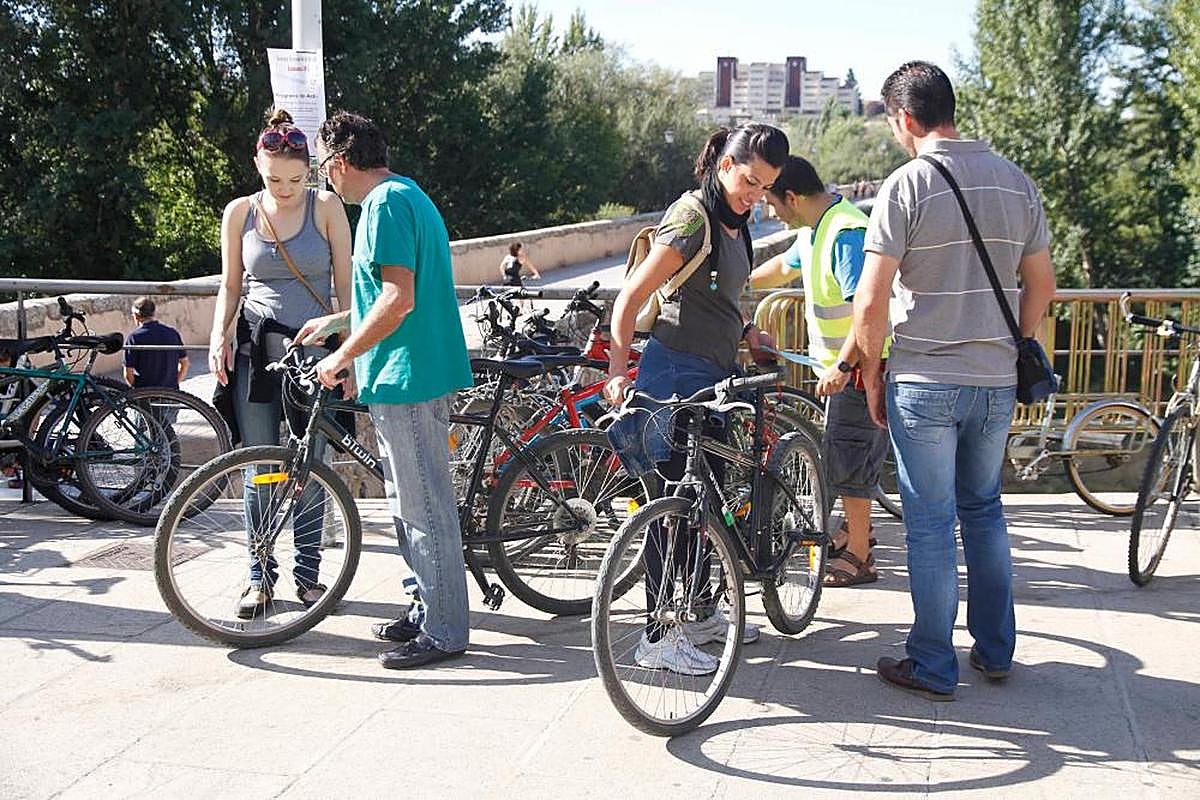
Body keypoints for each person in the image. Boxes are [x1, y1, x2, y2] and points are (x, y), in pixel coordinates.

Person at [853, 61, 1056, 700]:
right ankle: (995, 651)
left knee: (932, 524)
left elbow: (872, 299)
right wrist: (1014, 344)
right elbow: (1041, 285)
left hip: (924, 379)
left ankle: (934, 663)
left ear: (904, 119)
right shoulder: (1017, 182)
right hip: (995, 381)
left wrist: (868, 370)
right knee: (985, 511)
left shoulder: (907, 185)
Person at [604, 123, 789, 675]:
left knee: (704, 500)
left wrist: (750, 332)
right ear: (725, 165)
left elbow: (724, 298)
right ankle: (657, 635)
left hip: (713, 376)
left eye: (766, 187)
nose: (755, 196)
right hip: (671, 376)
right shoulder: (693, 217)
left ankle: (702, 611)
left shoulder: (736, 225)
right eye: (750, 181)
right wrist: (618, 371)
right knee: (669, 507)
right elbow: (632, 296)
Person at [297, 111, 474, 670]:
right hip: (408, 372)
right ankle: (426, 608)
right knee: (408, 502)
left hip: (409, 375)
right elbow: (389, 293)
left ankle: (444, 630)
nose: (326, 181)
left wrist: (344, 355)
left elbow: (399, 298)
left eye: (324, 168)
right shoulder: (406, 195)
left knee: (424, 508)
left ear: (340, 162)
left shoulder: (382, 206)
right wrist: (338, 324)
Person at [209, 108, 353, 620]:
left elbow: (347, 288)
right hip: (255, 347)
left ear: (309, 170)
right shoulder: (239, 213)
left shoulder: (327, 207)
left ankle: (309, 577)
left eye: (295, 178)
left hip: (314, 352)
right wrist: (217, 336)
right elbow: (230, 284)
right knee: (261, 465)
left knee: (312, 464)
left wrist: (348, 352)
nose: (285, 187)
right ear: (257, 164)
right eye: (274, 178)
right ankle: (258, 577)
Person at [749, 155, 888, 587]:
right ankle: (855, 534)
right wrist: (730, 280)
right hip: (850, 368)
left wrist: (845, 366)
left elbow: (865, 310)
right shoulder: (817, 230)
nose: (769, 212)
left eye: (771, 201)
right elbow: (782, 268)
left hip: (859, 370)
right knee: (848, 458)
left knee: (848, 463)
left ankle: (860, 557)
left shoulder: (844, 232)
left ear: (791, 196)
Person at [123, 297, 188, 389]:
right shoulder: (172, 333)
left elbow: (128, 372)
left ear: (136, 316)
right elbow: (184, 363)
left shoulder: (134, 338)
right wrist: (175, 383)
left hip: (146, 392)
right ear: (153, 313)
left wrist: (137, 390)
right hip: (171, 393)